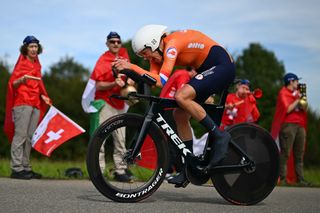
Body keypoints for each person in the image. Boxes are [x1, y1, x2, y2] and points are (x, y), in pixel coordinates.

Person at [112, 25, 235, 187]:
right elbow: (153, 80)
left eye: (144, 53)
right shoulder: (156, 55)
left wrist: (131, 66)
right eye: (141, 56)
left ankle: (219, 135)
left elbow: (161, 80)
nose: (145, 58)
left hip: (222, 66)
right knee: (180, 114)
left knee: (181, 96)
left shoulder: (172, 45)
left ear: (154, 43)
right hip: (207, 69)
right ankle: (189, 167)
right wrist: (127, 72)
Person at [81, 32, 134, 182]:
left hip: (120, 103)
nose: (116, 44)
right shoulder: (103, 59)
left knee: (120, 139)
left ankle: (120, 170)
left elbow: (130, 76)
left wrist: (131, 82)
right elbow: (98, 85)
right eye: (112, 42)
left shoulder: (124, 57)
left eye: (118, 41)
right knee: (101, 138)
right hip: (105, 102)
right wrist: (112, 84)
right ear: (107, 44)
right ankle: (98, 170)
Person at [4, 36, 51, 179]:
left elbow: (39, 85)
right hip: (22, 103)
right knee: (21, 135)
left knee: (30, 137)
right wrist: (22, 79)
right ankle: (16, 168)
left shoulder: (37, 65)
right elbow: (13, 84)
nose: (34, 49)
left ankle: (26, 167)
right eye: (31, 46)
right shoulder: (22, 64)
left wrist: (43, 96)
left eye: (36, 46)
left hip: (35, 103)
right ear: (25, 48)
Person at [270, 73, 309, 186]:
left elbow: (305, 108)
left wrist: (303, 97)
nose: (298, 83)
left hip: (300, 125)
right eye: (296, 81)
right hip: (288, 125)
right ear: (291, 81)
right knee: (285, 153)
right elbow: (287, 109)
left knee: (299, 153)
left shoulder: (297, 93)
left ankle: (300, 179)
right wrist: (297, 99)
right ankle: (282, 178)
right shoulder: (283, 92)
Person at [159, 67, 197, 179]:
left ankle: (174, 169)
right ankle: (175, 170)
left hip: (166, 107)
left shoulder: (180, 73)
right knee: (175, 140)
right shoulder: (183, 74)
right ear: (193, 70)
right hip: (169, 108)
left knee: (172, 139)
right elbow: (182, 94)